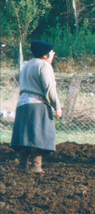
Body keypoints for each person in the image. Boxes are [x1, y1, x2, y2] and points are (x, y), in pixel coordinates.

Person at [10, 40, 62, 173]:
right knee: (39, 134)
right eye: (51, 52)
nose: (53, 54)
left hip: (22, 104)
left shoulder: (26, 65)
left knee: (25, 135)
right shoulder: (44, 66)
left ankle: (22, 166)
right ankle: (35, 166)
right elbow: (49, 89)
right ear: (45, 55)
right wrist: (57, 106)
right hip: (37, 106)